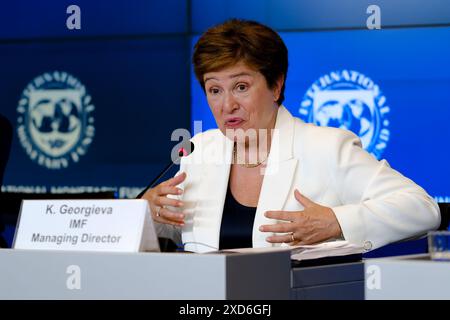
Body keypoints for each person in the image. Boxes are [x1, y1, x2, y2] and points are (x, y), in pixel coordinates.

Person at [141, 19, 440, 253]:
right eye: (214, 90)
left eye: (241, 87)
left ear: (276, 85)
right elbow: (183, 232)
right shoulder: (198, 150)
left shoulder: (326, 147)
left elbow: (422, 208)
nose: (227, 104)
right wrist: (150, 214)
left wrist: (337, 223)